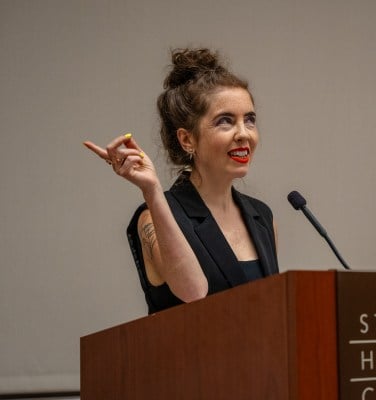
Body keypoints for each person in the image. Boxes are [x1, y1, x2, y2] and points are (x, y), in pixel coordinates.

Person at [84, 48, 279, 314]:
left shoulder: (263, 217)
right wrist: (151, 191)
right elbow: (193, 291)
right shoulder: (153, 216)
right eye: (226, 121)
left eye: (250, 120)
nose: (244, 134)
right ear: (187, 139)